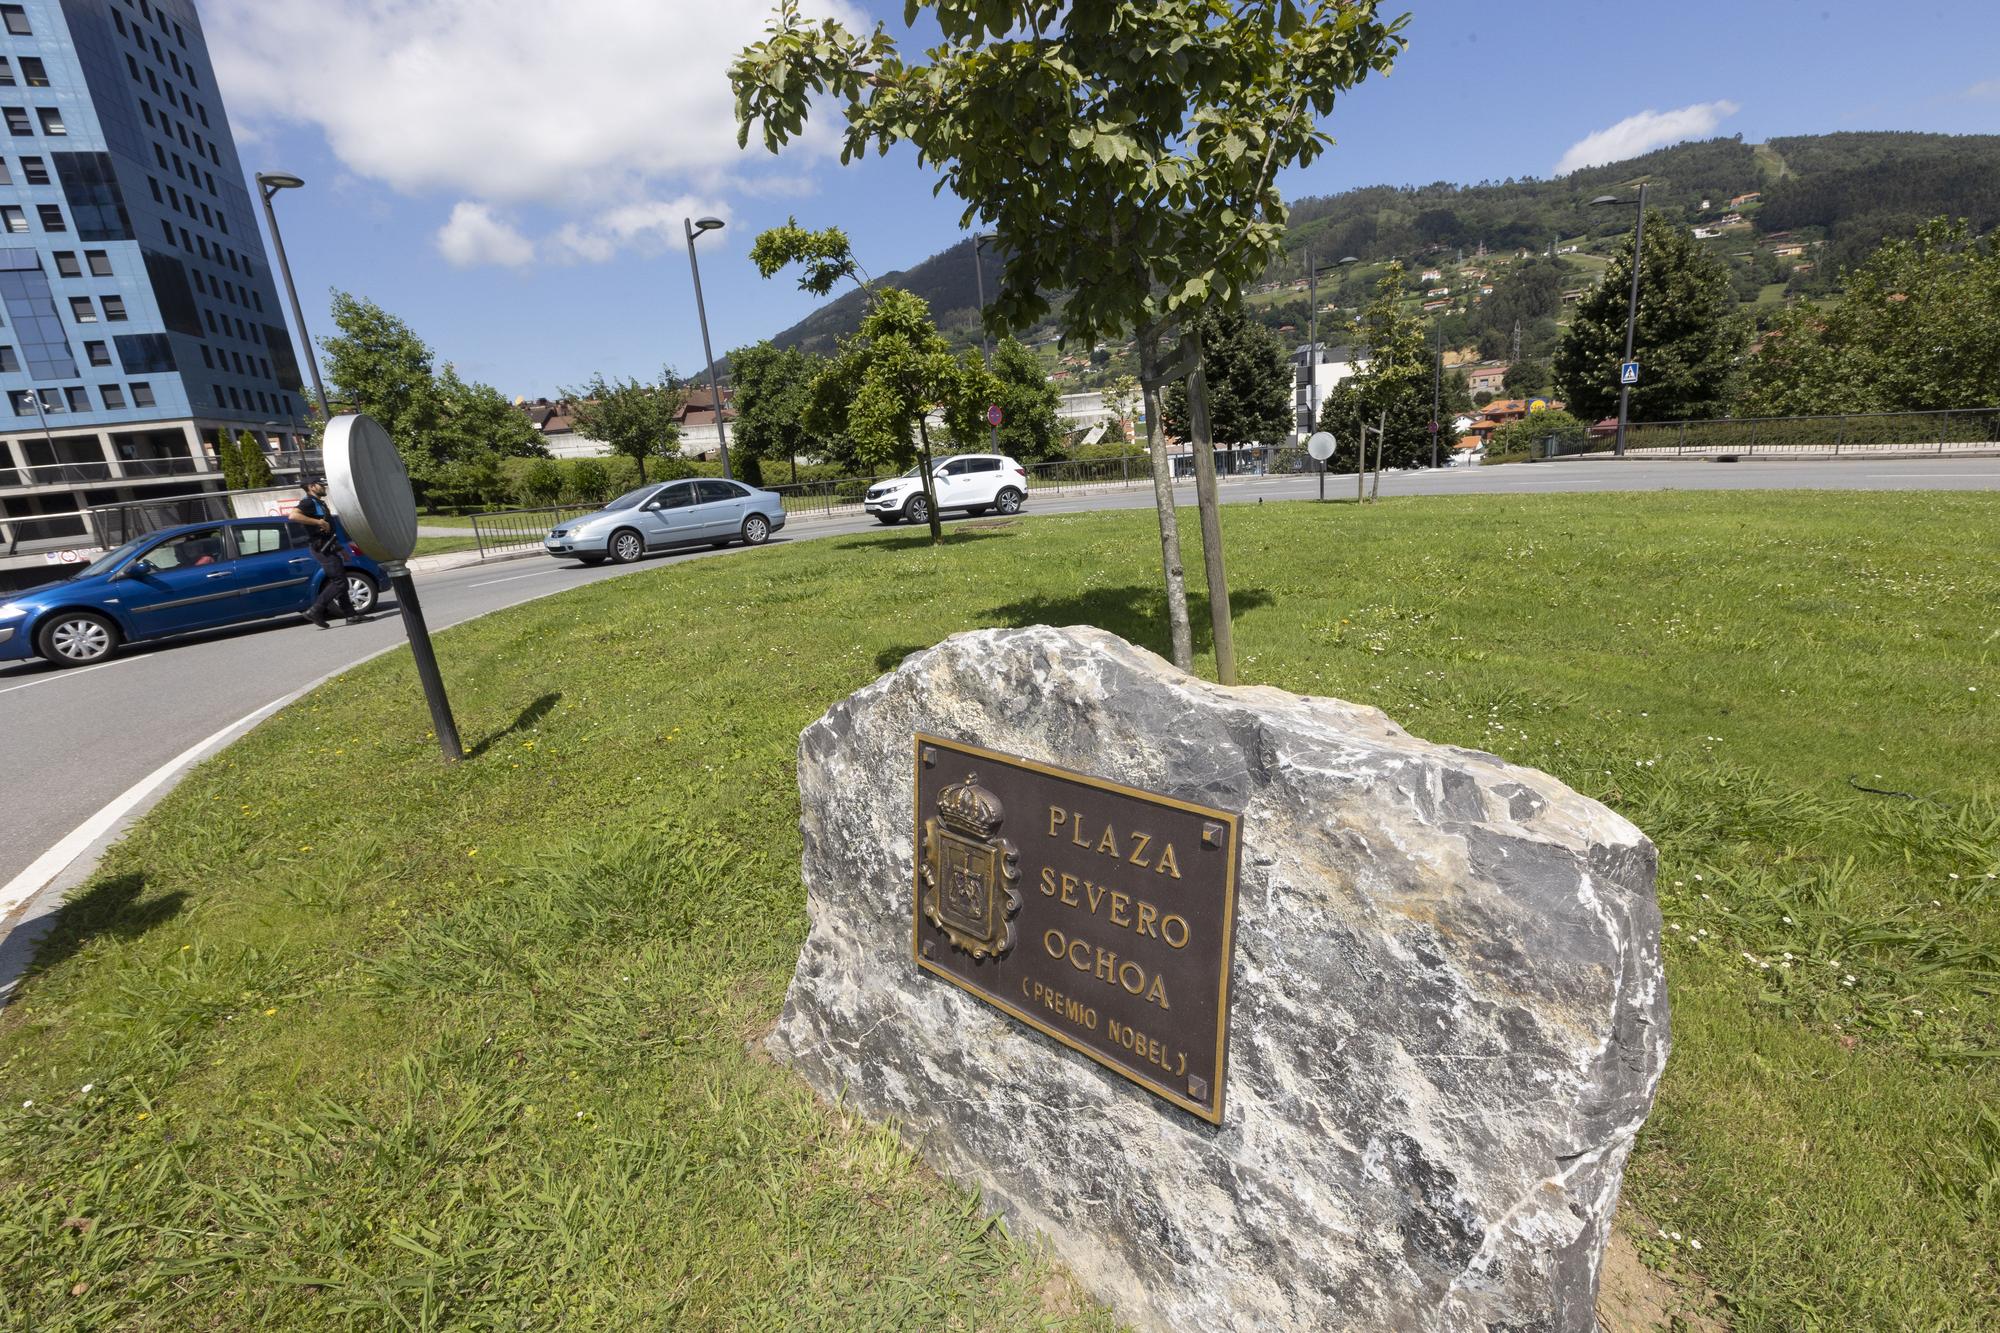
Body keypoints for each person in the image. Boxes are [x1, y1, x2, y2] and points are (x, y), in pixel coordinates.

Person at [288, 475, 362, 628]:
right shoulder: (309, 502)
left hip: (329, 546)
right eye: (320, 484)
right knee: (339, 582)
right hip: (322, 548)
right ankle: (315, 610)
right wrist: (318, 521)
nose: (323, 486)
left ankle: (351, 615)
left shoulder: (318, 503)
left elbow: (328, 532)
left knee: (341, 580)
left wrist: (341, 549)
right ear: (312, 486)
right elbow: (293, 515)